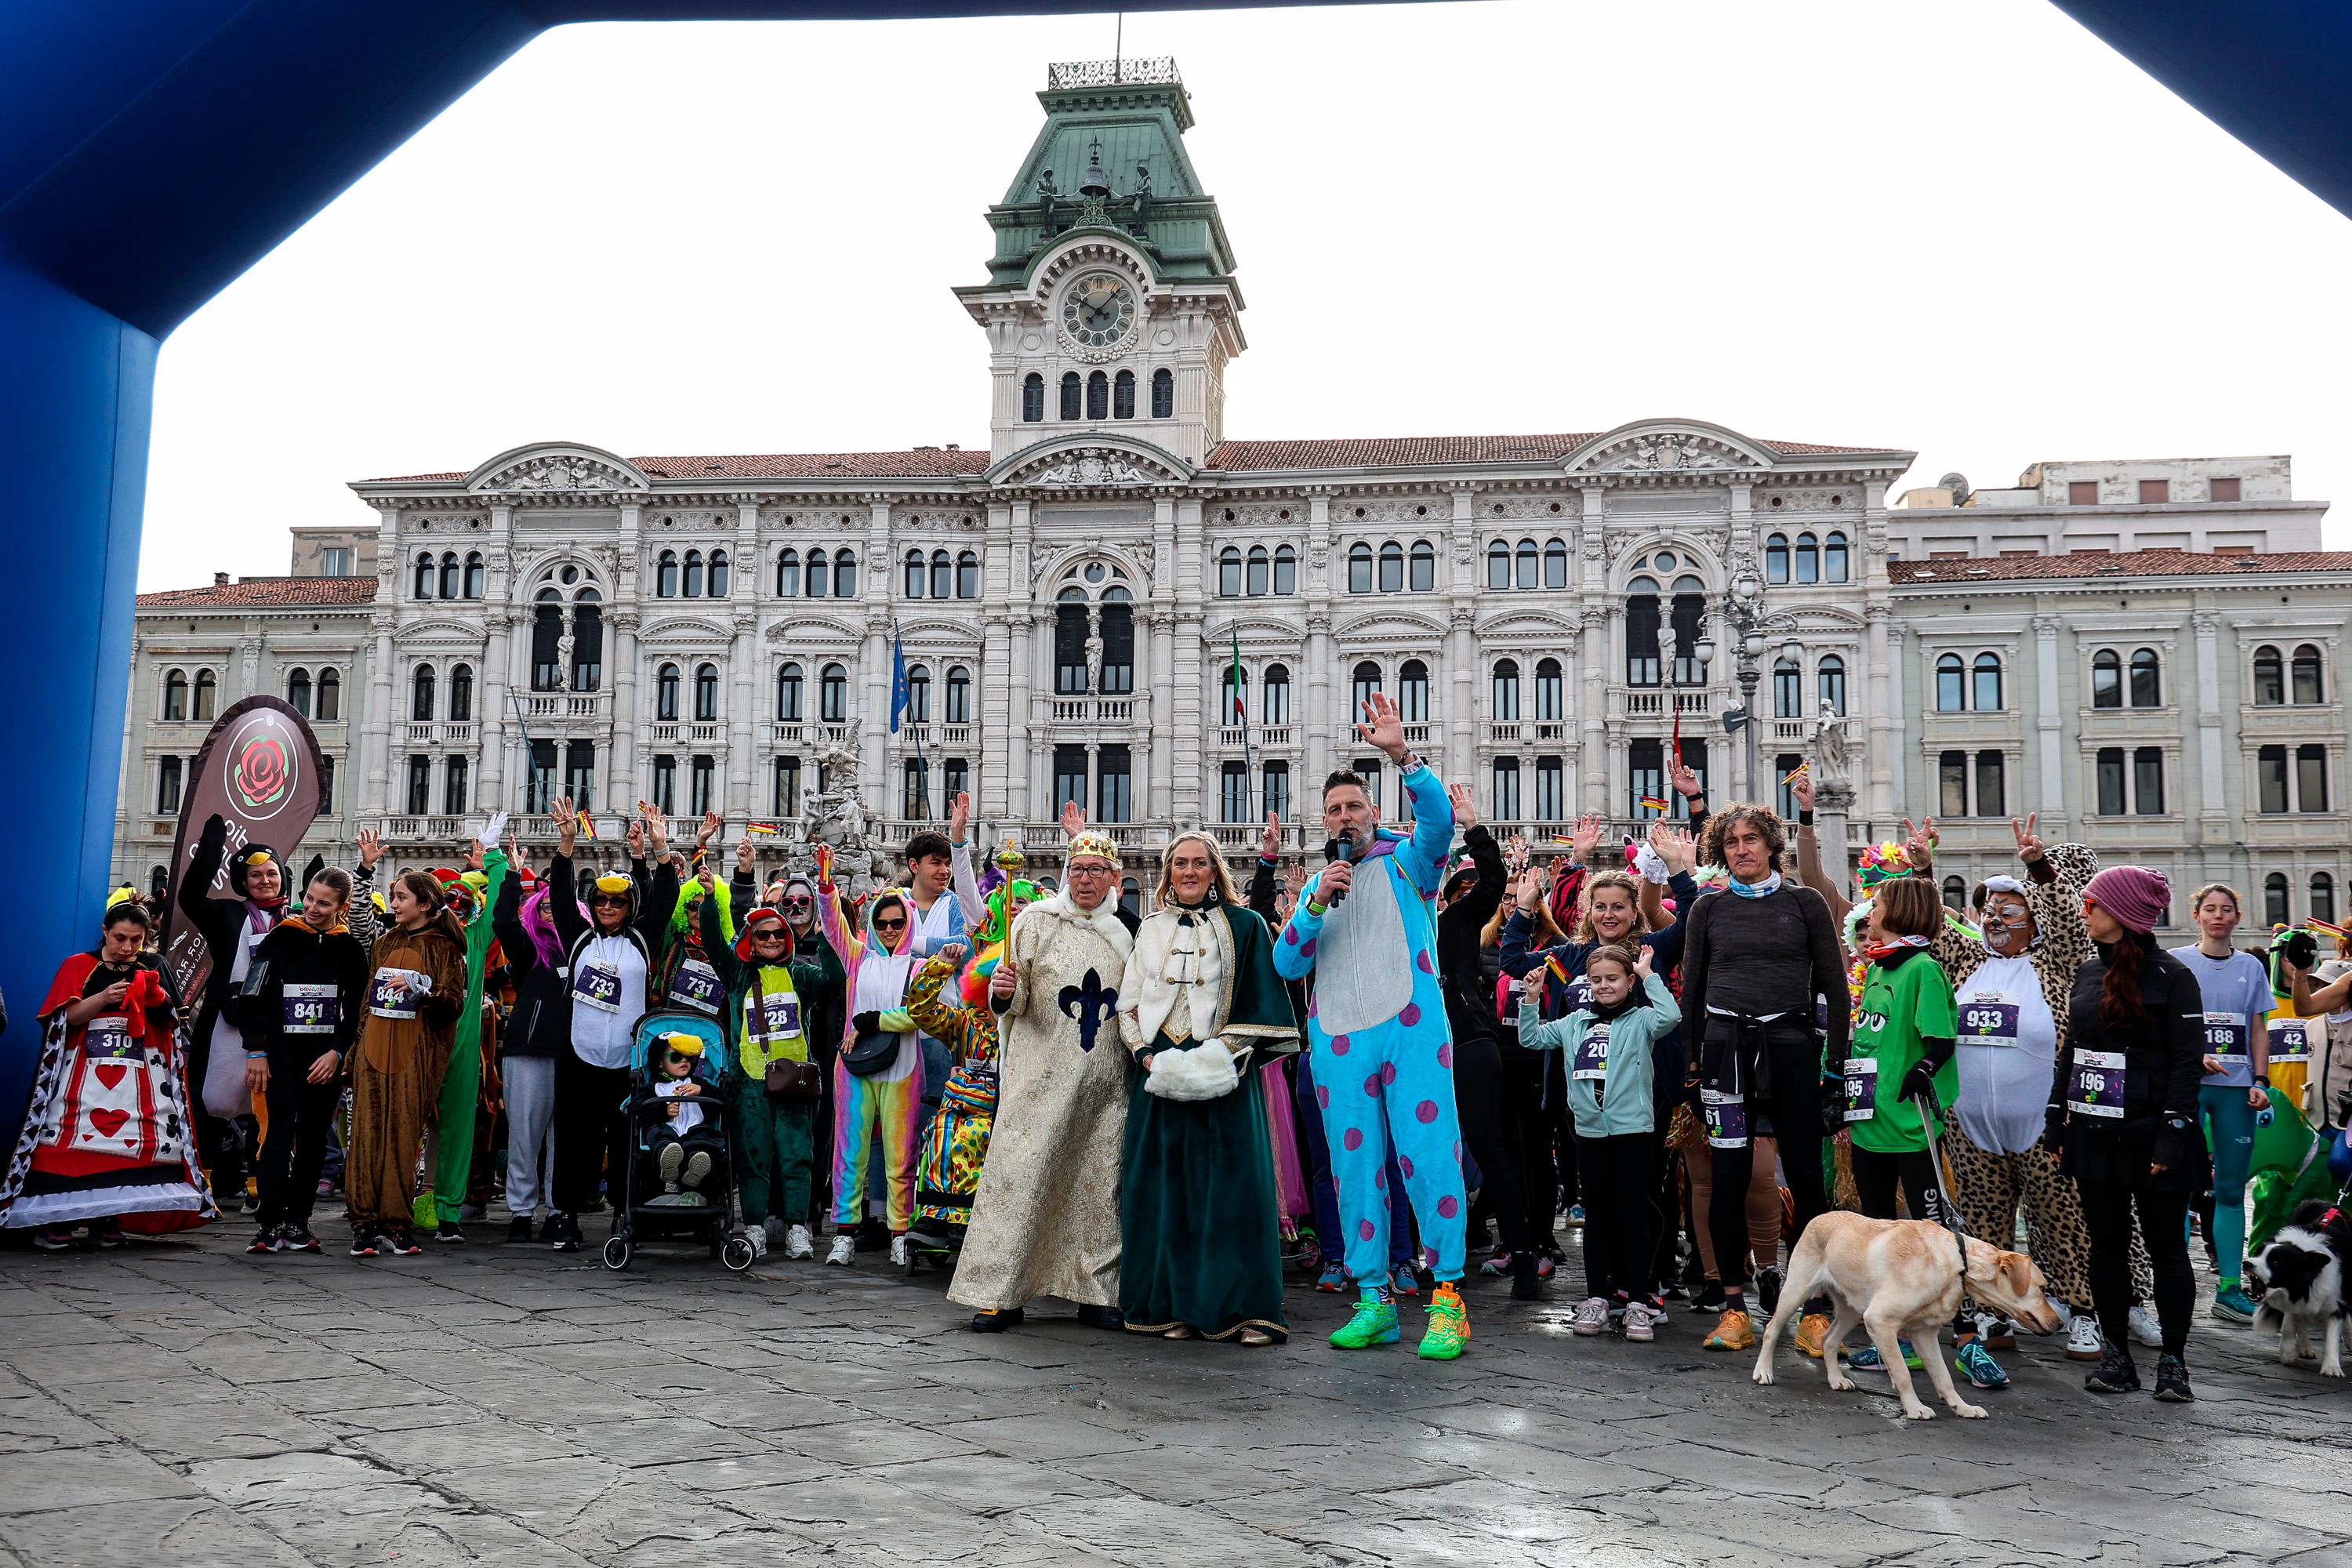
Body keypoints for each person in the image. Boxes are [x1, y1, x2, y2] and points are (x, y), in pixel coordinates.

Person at [1272, 693, 1472, 1361]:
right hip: (1339, 1043)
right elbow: (1285, 961)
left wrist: (1401, 754)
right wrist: (1312, 903)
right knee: (1356, 1170)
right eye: (1334, 810)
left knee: (1428, 1157)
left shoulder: (1409, 863)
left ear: (1374, 813)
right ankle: (1374, 1301)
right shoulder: (1317, 888)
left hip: (1411, 1031)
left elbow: (1442, 822)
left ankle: (1446, 1298)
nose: (1344, 817)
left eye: (1354, 807)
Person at [1676, 802, 1851, 1356]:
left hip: (1793, 1051)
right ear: (1720, 852)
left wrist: (1838, 1069)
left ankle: (1817, 1313)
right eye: (1731, 843)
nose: (1742, 849)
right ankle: (1734, 1309)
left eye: (1752, 839)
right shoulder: (1708, 908)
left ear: (1772, 844)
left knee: (1808, 1183)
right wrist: (1692, 1070)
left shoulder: (1805, 903)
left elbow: (1836, 990)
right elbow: (1694, 993)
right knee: (1727, 1181)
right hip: (1726, 1055)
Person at [948, 822, 1135, 1332]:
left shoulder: (1128, 930)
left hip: (1105, 1087)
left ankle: (1095, 1293)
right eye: (1078, 869)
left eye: (1097, 870)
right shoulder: (1033, 922)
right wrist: (1004, 989)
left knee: (1096, 1189)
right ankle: (1000, 1292)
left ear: (1114, 876)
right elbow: (1011, 1001)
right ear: (1065, 873)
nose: (1086, 879)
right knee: (1018, 1183)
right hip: (1037, 1080)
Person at [1116, 832, 1300, 1344]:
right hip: (1158, 1077)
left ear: (1215, 870)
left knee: (1232, 1193)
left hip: (1224, 1076)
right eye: (1180, 864)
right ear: (1169, 872)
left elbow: (1262, 1008)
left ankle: (1244, 1310)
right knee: (1165, 1192)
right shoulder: (1149, 928)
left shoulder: (1246, 926)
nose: (1190, 872)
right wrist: (1145, 1055)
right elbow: (1128, 1005)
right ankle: (1172, 1306)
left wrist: (1217, 1058)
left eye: (1200, 863)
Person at [2050, 864, 2207, 1402]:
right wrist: (2057, 1121)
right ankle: (2116, 1356)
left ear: (2119, 913)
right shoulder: (2087, 974)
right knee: (2106, 1248)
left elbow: (2187, 1065)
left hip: (2154, 1133)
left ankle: (2174, 1362)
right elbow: (2073, 1052)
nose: (2082, 912)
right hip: (2095, 1132)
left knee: (2166, 1248)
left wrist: (2171, 1137)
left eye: (2091, 904)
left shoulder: (2172, 976)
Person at [0, 902, 212, 1244]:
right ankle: (57, 1220)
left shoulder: (155, 965)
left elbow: (173, 1021)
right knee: (65, 1138)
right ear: (104, 932)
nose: (127, 948)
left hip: (141, 1076)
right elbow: (64, 1020)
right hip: (81, 1073)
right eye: (120, 938)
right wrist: (102, 998)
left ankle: (109, 1218)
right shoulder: (78, 966)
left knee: (134, 1141)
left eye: (136, 940)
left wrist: (154, 994)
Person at [1516, 941, 1681, 1341]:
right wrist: (1531, 1000)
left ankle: (1639, 1302)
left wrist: (1648, 974)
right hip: (1589, 1132)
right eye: (1596, 980)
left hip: (1634, 1132)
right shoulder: (1575, 1022)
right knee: (1599, 1219)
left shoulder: (1643, 1019)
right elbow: (1531, 1039)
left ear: (1628, 981)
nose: (1604, 986)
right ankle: (1597, 1299)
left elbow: (1672, 1015)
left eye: (1613, 979)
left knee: (1633, 1216)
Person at [1835, 876, 1963, 1380]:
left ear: (1902, 912)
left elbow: (1941, 1041)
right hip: (1871, 1124)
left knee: (1928, 1232)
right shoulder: (1879, 968)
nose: (1871, 910)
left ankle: (1934, 1326)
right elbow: (1869, 1042)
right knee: (1877, 1228)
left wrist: (1926, 1070)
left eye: (1879, 903)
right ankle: (1889, 1331)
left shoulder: (1922, 969)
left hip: (1911, 1128)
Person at [543, 800, 679, 1252]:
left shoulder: (643, 938)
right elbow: (559, 893)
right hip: (578, 1056)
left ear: (629, 906)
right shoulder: (578, 936)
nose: (607, 907)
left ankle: (627, 1213)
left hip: (628, 1061)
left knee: (625, 1141)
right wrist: (567, 843)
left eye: (617, 901)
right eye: (600, 900)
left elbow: (667, 897)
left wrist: (659, 848)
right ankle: (564, 1213)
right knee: (575, 1136)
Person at [1430, 784, 1542, 1299]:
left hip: (1470, 1043)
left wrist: (1473, 827)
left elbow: (1495, 880)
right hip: (1417, 1050)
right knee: (1426, 1153)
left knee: (1491, 1149)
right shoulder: (1390, 925)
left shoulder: (1453, 921)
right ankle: (1429, 1259)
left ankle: (1523, 1258)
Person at [240, 866, 369, 1254]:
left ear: (341, 907)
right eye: (310, 899)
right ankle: (269, 1222)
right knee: (276, 1136)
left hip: (323, 1061)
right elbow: (252, 996)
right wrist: (256, 1050)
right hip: (278, 1056)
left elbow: (357, 1009)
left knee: (313, 1141)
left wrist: (338, 1052)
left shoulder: (349, 948)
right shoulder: (281, 936)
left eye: (323, 903)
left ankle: (298, 1222)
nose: (312, 908)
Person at [702, 895, 833, 1259]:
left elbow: (834, 980)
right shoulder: (738, 974)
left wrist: (825, 939)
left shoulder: (801, 975)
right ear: (751, 942)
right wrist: (711, 899)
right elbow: (712, 943)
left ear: (788, 939)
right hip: (751, 1084)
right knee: (753, 1159)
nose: (772, 940)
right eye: (764, 936)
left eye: (779, 934)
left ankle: (797, 1229)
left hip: (794, 1082)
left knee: (796, 1158)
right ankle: (755, 1227)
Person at [2168, 882, 2274, 1324]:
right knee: (2174, 1189)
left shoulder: (2251, 965)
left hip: (2237, 1089)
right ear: (2197, 916)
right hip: (2187, 1086)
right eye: (2209, 909)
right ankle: (2167, 1286)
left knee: (2230, 1191)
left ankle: (2229, 1288)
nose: (2218, 916)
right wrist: (2194, 1055)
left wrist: (2262, 1079)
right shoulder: (2176, 962)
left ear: (2236, 917)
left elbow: (2257, 1029)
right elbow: (2163, 1026)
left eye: (2226, 909)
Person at [176, 815, 295, 1210]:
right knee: (213, 1104)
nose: (265, 881)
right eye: (255, 875)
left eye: (271, 873)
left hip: (278, 1027)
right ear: (242, 882)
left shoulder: (295, 920)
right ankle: (202, 1183)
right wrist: (212, 847)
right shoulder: (226, 914)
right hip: (226, 1025)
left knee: (269, 1109)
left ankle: (259, 1186)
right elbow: (190, 897)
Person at [814, 848, 924, 1266]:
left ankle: (900, 1233)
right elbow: (832, 925)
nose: (890, 928)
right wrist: (826, 884)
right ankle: (845, 1233)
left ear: (907, 923)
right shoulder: (858, 957)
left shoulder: (917, 968)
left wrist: (874, 1021)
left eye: (897, 922)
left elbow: (920, 1014)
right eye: (882, 922)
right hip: (854, 1070)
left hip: (904, 1071)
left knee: (900, 1156)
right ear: (873, 925)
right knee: (850, 1153)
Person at [348, 871, 466, 1258]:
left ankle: (397, 1224)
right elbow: (368, 1001)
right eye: (392, 897)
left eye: (400, 898)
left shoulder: (446, 948)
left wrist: (424, 991)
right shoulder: (384, 943)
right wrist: (354, 1052)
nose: (394, 904)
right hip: (373, 1052)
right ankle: (363, 1224)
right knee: (364, 1137)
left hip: (415, 1057)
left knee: (402, 1139)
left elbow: (454, 1005)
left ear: (425, 904)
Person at [426, 833, 509, 1243]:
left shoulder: (475, 940)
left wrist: (492, 856)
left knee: (459, 1128)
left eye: (464, 903)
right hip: (416, 1044)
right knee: (404, 1125)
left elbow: (496, 894)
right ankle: (391, 1206)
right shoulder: (414, 939)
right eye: (450, 903)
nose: (458, 910)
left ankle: (448, 1211)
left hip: (460, 1046)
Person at [491, 837, 568, 1242]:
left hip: (573, 1054)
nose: (554, 913)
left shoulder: (584, 948)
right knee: (524, 1133)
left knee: (563, 1138)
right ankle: (521, 1210)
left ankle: (558, 1209)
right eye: (548, 906)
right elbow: (502, 922)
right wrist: (511, 873)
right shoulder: (526, 950)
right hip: (528, 1050)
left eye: (562, 906)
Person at [645, 1032, 724, 1193]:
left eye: (689, 1058)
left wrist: (703, 1091)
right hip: (667, 1130)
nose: (684, 1061)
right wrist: (664, 1111)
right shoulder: (653, 1087)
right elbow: (641, 1111)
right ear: (660, 1063)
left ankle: (696, 1165)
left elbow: (723, 1102)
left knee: (704, 1137)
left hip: (695, 1130)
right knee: (659, 1134)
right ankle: (667, 1160)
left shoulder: (697, 1083)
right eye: (676, 1057)